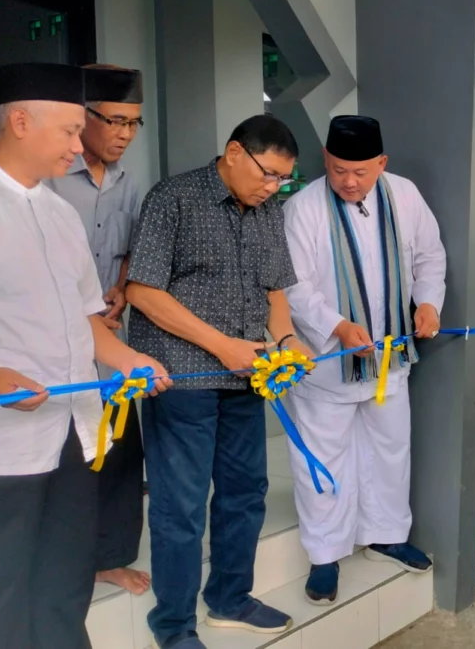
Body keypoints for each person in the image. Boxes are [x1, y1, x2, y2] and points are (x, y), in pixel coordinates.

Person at [0, 62, 169, 649]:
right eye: (68, 130)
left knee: (64, 581)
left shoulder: (58, 212)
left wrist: (127, 358)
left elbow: (86, 319)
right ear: (19, 121)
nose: (78, 144)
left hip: (73, 429)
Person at [126, 114, 307, 649]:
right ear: (233, 152)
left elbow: (275, 288)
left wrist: (289, 340)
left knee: (245, 493)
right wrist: (221, 345)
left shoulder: (268, 211)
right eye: (268, 174)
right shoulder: (174, 199)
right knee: (179, 504)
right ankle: (174, 626)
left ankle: (229, 598)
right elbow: (142, 291)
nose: (273, 187)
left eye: (283, 180)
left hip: (248, 379)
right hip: (182, 379)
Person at [281, 115, 447, 605]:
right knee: (322, 458)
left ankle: (387, 533)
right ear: (325, 164)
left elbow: (429, 257)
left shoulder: (405, 195)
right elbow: (293, 286)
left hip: (388, 359)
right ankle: (325, 554)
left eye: (359, 172)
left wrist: (428, 302)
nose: (349, 182)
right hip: (326, 362)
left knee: (390, 447)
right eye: (337, 171)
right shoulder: (303, 208)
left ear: (381, 163)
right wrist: (337, 325)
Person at [45, 63, 149, 596]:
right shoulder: (47, 179)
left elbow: (135, 250)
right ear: (80, 118)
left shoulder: (132, 185)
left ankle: (108, 557)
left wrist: (124, 288)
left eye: (134, 123)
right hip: (52, 339)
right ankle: (66, 558)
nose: (124, 134)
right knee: (69, 452)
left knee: (121, 447)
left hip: (110, 338)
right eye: (114, 121)